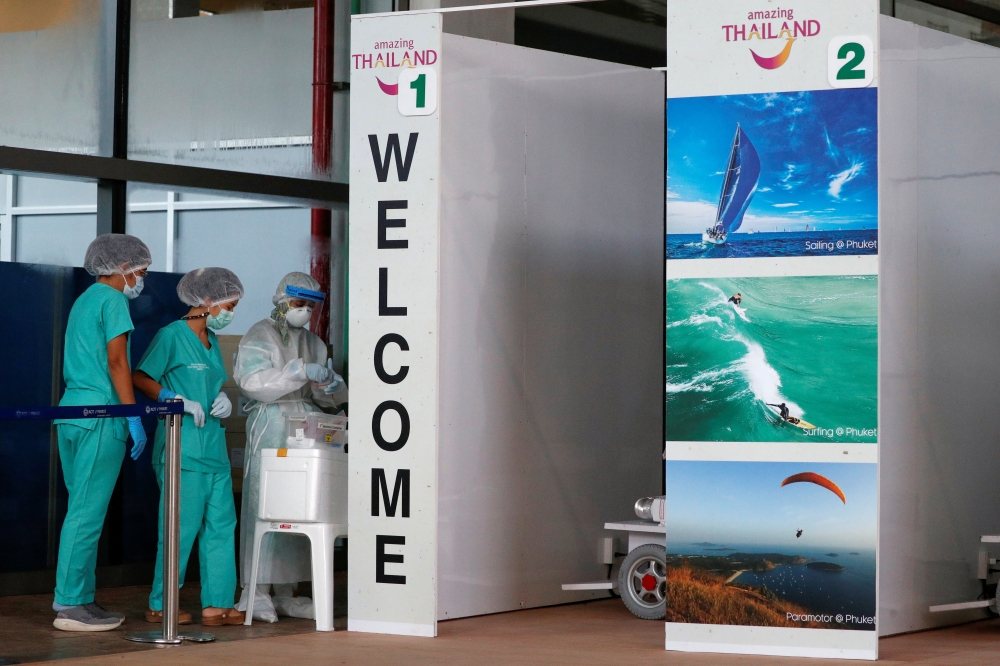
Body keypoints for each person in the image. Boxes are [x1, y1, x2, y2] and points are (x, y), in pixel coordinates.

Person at [132, 268, 245, 626]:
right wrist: (170, 398)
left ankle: (217, 604)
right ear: (207, 301)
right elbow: (140, 376)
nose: (231, 312)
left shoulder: (211, 342)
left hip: (214, 449)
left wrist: (224, 399)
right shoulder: (172, 335)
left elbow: (211, 386)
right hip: (182, 451)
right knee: (179, 528)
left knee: (222, 525)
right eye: (229, 304)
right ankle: (159, 603)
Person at [234, 272, 347, 622]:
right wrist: (296, 372)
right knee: (264, 505)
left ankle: (288, 592)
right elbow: (252, 382)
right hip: (271, 424)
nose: (304, 311)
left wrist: (332, 387)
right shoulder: (260, 334)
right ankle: (255, 591)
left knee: (301, 507)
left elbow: (319, 393)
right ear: (281, 300)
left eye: (309, 306)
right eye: (298, 304)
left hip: (306, 427)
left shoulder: (314, 342)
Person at [52, 234, 151, 632]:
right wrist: (131, 415)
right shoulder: (113, 301)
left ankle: (81, 597)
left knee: (81, 509)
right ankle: (70, 603)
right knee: (87, 514)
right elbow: (116, 362)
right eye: (140, 271)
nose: (141, 280)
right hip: (100, 415)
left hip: (71, 412)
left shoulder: (84, 300)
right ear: (122, 269)